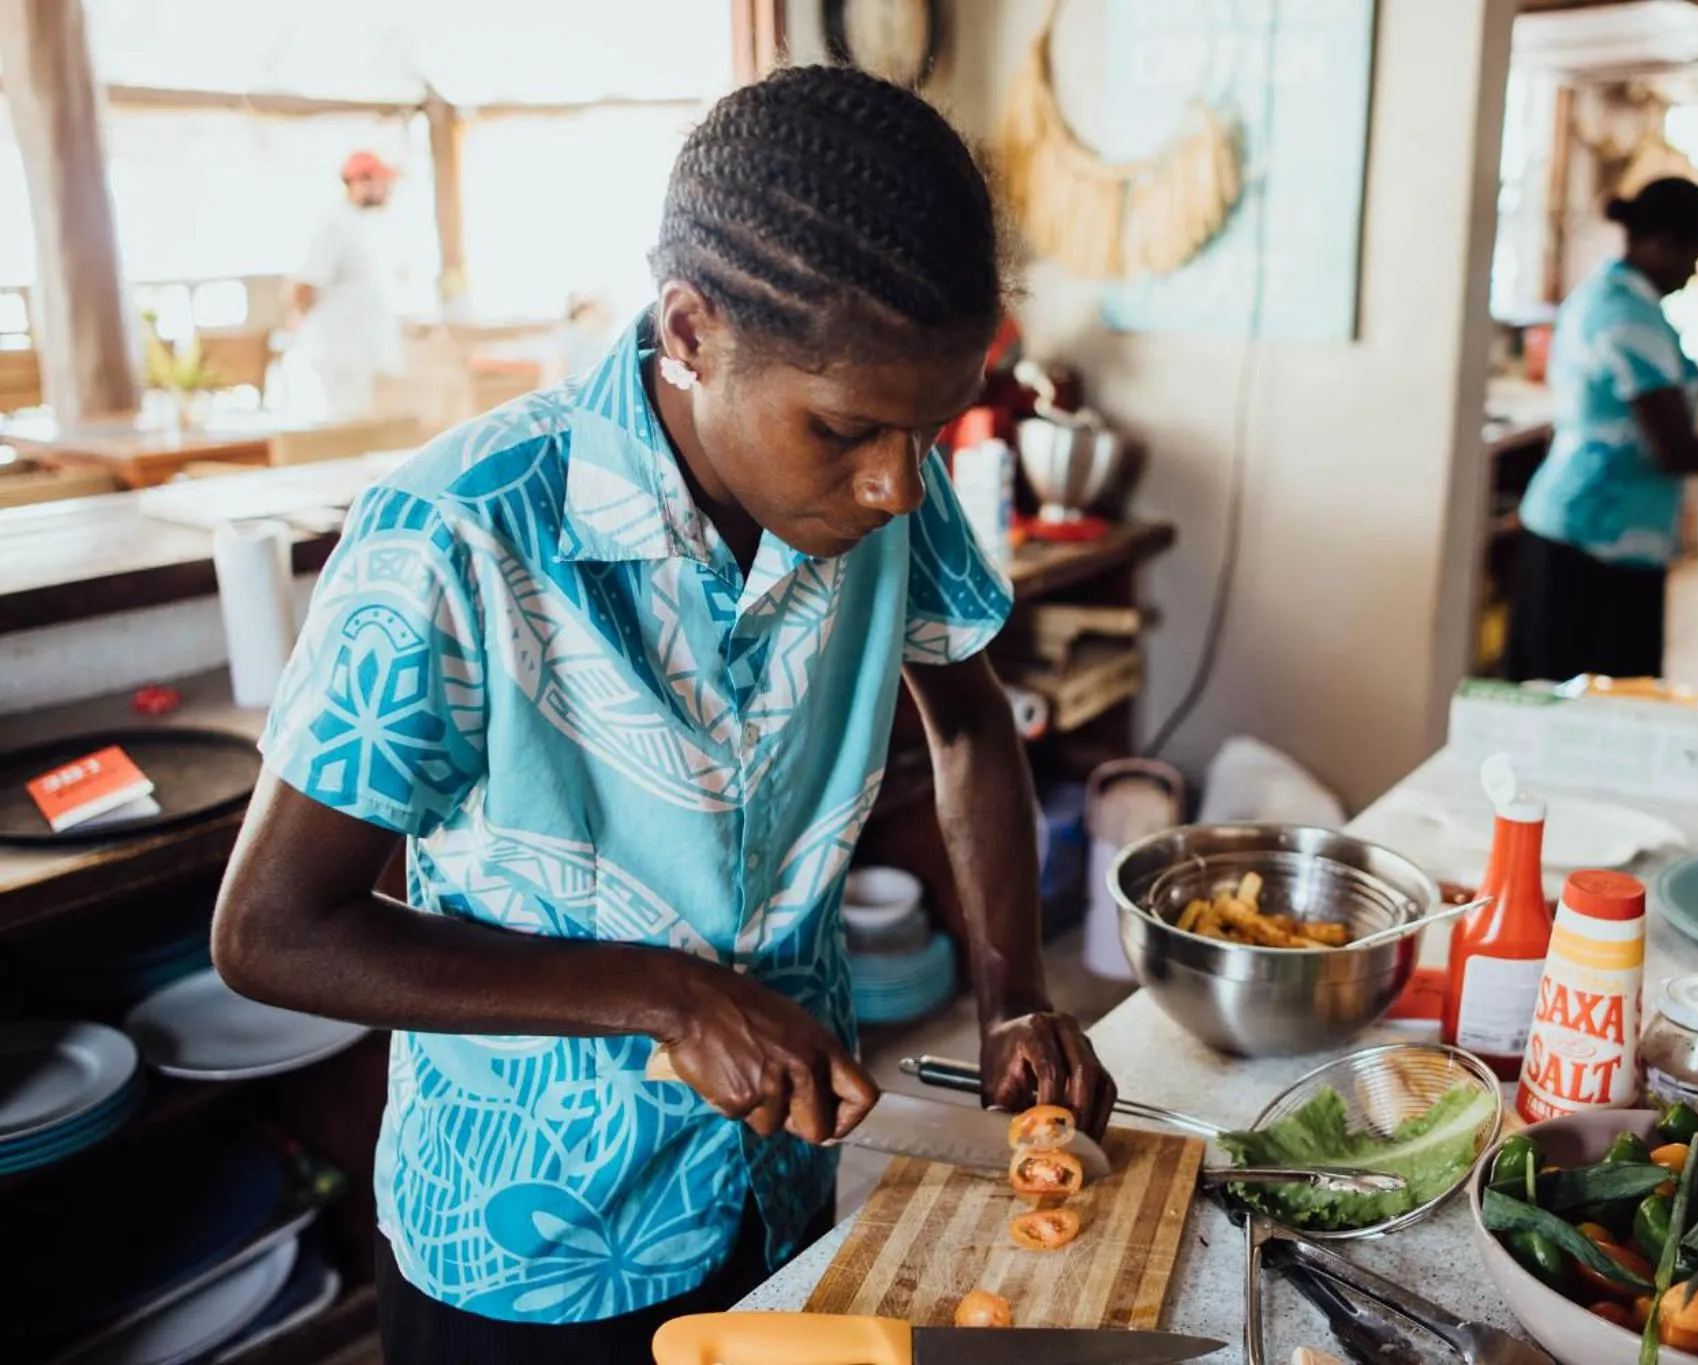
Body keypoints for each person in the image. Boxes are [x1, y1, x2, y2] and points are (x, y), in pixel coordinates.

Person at [214, 67, 1116, 1364]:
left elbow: (969, 728)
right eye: (850, 430)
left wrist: (1014, 993)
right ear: (690, 331)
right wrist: (666, 997)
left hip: (778, 1180)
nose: (899, 486)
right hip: (532, 1242)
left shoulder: (877, 492)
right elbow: (269, 931)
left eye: (931, 428)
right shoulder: (461, 531)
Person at [1505, 176, 1698, 684]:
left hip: (1590, 531)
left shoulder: (1615, 294)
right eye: (1692, 256)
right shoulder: (1628, 317)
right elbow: (1675, 450)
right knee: (1597, 703)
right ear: (1662, 243)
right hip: (1596, 541)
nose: (1691, 273)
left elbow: (1681, 387)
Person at [287, 150, 406, 420]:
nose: (387, 190)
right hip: (342, 353)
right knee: (349, 427)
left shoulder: (374, 223)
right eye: (381, 182)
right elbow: (305, 285)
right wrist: (299, 326)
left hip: (368, 351)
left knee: (373, 425)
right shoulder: (333, 223)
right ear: (358, 182)